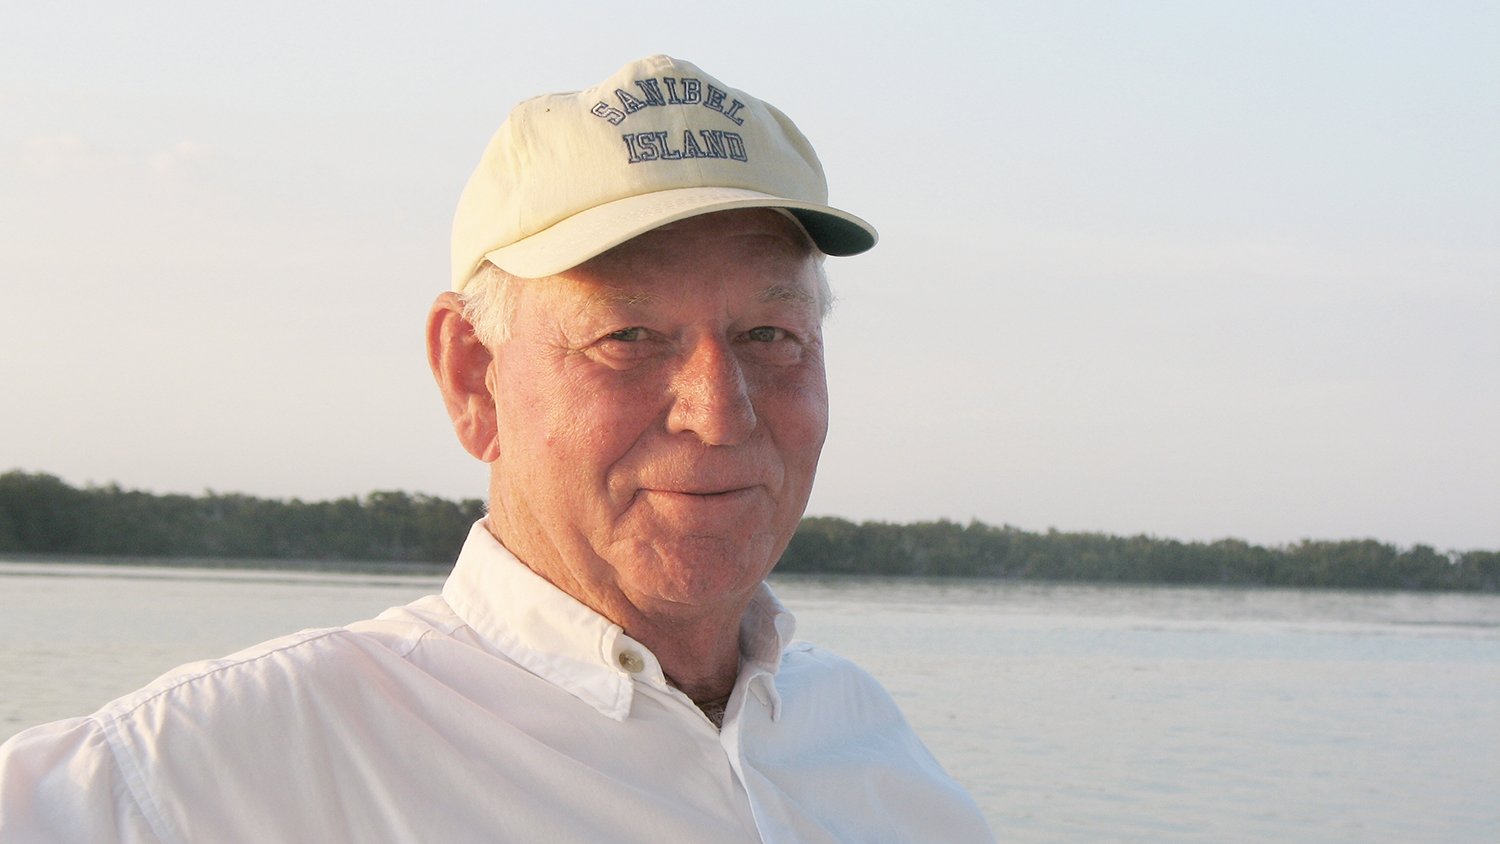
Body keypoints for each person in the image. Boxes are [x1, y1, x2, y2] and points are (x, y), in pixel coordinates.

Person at [0, 55, 996, 843]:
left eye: (769, 337)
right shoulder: (218, 769)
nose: (719, 411)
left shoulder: (877, 752)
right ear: (474, 376)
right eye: (628, 337)